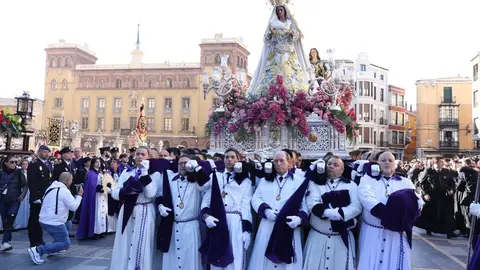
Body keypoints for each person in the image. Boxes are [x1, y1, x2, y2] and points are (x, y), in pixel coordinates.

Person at [357, 151, 423, 270]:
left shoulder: (405, 182)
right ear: (377, 163)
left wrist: (408, 215)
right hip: (373, 232)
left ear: (395, 164)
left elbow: (417, 201)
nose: (387, 162)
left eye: (390, 160)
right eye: (383, 160)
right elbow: (365, 197)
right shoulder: (367, 179)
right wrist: (388, 215)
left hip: (396, 233)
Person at [249, 150, 309, 270]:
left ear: (289, 163)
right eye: (275, 161)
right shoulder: (265, 180)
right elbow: (255, 199)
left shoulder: (299, 181)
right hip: (268, 225)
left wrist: (299, 219)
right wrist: (265, 211)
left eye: (282, 160)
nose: (278, 163)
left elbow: (305, 204)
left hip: (289, 227)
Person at [303, 156, 361, 270]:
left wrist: (341, 213)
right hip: (318, 237)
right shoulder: (315, 184)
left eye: (335, 165)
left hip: (341, 237)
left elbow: (356, 206)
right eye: (329, 164)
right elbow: (311, 202)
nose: (331, 167)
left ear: (342, 170)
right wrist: (327, 212)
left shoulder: (352, 185)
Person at [200, 148, 253, 270]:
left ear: (238, 159)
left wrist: (247, 230)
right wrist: (206, 216)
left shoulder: (246, 181)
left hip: (236, 222)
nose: (229, 159)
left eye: (232, 157)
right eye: (227, 157)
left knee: (235, 256)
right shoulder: (215, 176)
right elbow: (206, 200)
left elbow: (245, 206)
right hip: (217, 220)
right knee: (217, 257)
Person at [154, 154, 210, 270]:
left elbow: (206, 184)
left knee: (189, 258)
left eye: (186, 163)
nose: (183, 165)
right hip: (173, 226)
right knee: (173, 257)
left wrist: (196, 168)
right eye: (181, 163)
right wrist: (160, 206)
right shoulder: (170, 178)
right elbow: (160, 195)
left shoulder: (197, 180)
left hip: (191, 226)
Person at [110, 146, 160, 270]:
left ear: (148, 156)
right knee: (125, 242)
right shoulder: (127, 172)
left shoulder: (155, 174)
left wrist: (144, 174)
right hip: (127, 209)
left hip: (144, 210)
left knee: (141, 244)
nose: (139, 156)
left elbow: (151, 194)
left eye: (143, 154)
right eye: (137, 154)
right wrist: (124, 192)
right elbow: (115, 192)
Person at [247, 2, 311, 98]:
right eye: (278, 10)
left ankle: (294, 92)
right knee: (273, 71)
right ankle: (270, 92)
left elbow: (296, 35)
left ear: (285, 11)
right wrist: (271, 34)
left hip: (288, 52)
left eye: (281, 10)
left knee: (291, 72)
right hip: (276, 52)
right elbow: (266, 38)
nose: (280, 12)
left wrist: (292, 33)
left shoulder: (290, 23)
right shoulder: (272, 23)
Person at [27, 172, 83, 265]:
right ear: (68, 180)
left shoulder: (51, 188)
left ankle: (55, 248)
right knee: (66, 244)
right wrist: (79, 196)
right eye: (71, 179)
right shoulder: (64, 191)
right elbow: (73, 206)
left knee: (68, 224)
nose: (72, 181)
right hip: (54, 222)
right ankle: (37, 250)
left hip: (44, 219)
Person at [0, 156, 28, 251]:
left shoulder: (19, 172)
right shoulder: (1, 172)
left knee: (10, 218)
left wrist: (22, 195)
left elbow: (25, 184)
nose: (14, 164)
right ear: (6, 163)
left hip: (14, 199)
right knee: (4, 220)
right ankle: (6, 240)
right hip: (3, 199)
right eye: (12, 162)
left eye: (16, 162)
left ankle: (5, 242)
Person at [76, 158, 108, 239]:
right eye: (96, 162)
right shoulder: (90, 173)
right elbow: (90, 186)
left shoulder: (100, 173)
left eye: (99, 162)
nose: (98, 163)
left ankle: (101, 230)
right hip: (94, 197)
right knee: (95, 213)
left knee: (102, 213)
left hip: (101, 197)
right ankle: (94, 231)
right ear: (93, 163)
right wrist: (96, 188)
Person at [27, 145, 53, 247]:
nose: (46, 154)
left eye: (47, 152)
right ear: (38, 152)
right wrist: (35, 196)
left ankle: (39, 238)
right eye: (43, 152)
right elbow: (32, 181)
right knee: (34, 219)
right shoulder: (34, 164)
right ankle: (33, 241)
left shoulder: (49, 164)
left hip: (45, 196)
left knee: (41, 219)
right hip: (37, 196)